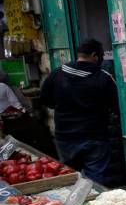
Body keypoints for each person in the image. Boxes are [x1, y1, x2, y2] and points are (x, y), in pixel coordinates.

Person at [40, 38, 121, 186]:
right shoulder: (103, 77)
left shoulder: (57, 74)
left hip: (65, 136)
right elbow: (117, 107)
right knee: (95, 180)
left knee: (69, 176)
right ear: (95, 55)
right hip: (95, 137)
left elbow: (45, 99)